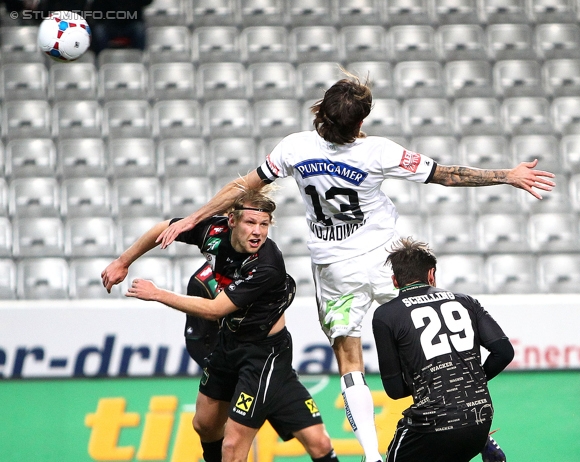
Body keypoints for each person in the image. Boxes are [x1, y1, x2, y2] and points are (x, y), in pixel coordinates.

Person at [156, 71, 555, 462]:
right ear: (360, 121)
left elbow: (244, 186)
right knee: (430, 336)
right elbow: (446, 176)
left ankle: (369, 455)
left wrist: (195, 217)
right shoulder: (378, 151)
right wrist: (508, 175)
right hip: (386, 259)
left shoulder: (294, 148)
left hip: (334, 268)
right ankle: (477, 434)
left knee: (350, 359)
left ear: (319, 112)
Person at [102, 187, 338, 462]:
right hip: (230, 344)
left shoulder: (266, 265)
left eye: (264, 225)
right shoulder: (212, 232)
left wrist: (158, 294)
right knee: (204, 425)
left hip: (264, 356)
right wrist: (123, 261)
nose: (258, 232)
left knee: (234, 447)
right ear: (232, 220)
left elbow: (215, 310)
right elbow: (164, 227)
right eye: (251, 222)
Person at [372, 237, 514, 462]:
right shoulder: (466, 301)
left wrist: (430, 381)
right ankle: (485, 442)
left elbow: (394, 390)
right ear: (431, 274)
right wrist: (470, 378)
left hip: (430, 425)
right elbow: (505, 352)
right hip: (479, 420)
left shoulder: (385, 315)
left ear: (395, 281)